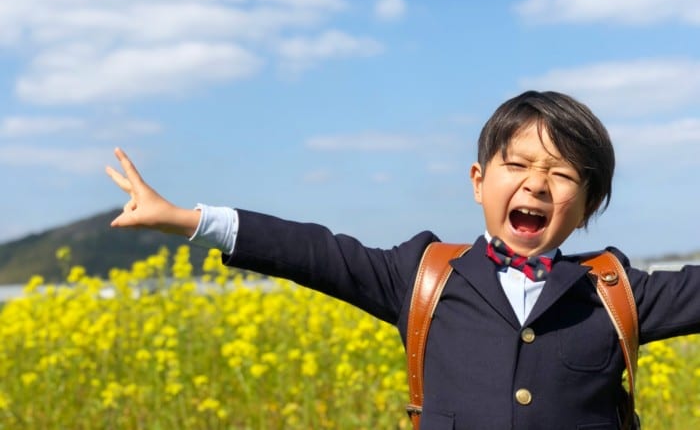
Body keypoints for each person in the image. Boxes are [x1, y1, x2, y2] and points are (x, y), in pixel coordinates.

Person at [106, 90, 700, 430]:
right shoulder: (425, 277)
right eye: (516, 165)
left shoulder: (613, 291)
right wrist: (189, 218)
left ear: (589, 205)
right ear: (478, 181)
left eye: (562, 173)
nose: (537, 184)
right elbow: (315, 253)